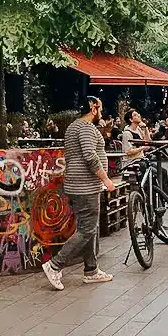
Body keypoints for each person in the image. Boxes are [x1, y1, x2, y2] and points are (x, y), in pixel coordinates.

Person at [43, 96, 115, 290]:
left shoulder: (74, 126)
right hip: (85, 186)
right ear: (93, 108)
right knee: (86, 230)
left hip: (79, 185)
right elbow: (90, 156)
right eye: (99, 106)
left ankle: (91, 270)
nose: (101, 111)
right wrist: (106, 179)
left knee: (89, 228)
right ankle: (54, 265)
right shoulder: (85, 128)